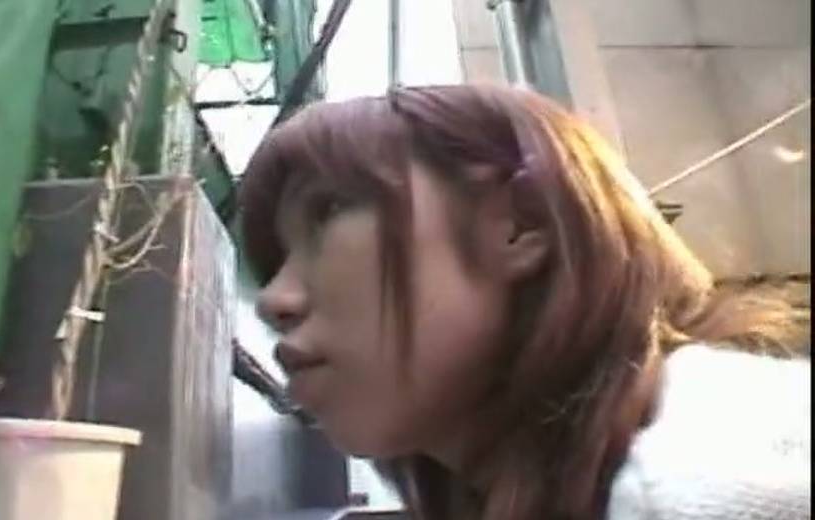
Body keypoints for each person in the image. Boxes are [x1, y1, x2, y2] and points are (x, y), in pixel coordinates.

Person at [237, 84, 810, 520]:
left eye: (328, 212)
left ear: (521, 222)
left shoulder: (733, 478)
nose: (272, 300)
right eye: (277, 259)